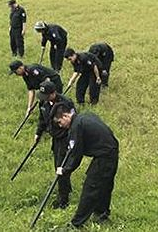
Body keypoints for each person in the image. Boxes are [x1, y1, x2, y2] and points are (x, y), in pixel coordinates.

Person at [53, 104, 119, 228]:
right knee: (104, 185)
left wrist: (65, 170)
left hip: (105, 155)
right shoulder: (84, 116)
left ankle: (76, 223)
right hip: (111, 151)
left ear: (66, 116)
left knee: (91, 188)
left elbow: (75, 154)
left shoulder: (76, 126)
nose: (60, 126)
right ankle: (101, 214)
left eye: (60, 122)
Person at [36, 81, 76, 209]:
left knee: (61, 167)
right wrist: (38, 133)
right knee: (57, 165)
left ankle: (63, 200)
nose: (44, 99)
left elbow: (73, 121)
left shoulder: (66, 102)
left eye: (47, 96)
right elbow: (42, 118)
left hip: (65, 138)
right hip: (55, 138)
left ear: (53, 93)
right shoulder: (43, 101)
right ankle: (67, 188)